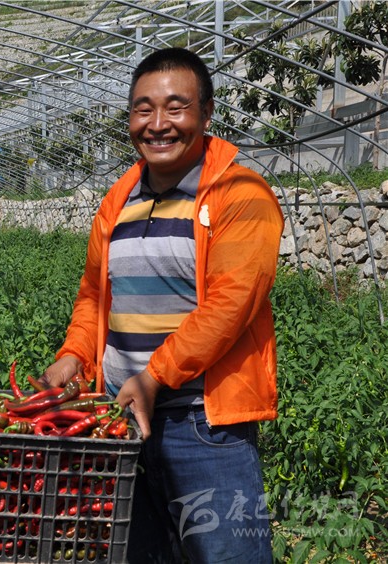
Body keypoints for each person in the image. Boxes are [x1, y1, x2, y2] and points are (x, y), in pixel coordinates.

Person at [41, 48, 283, 563]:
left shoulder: (241, 195)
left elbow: (230, 306)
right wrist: (75, 356)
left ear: (207, 114)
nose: (157, 124)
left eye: (176, 107)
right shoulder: (118, 199)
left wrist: (153, 378)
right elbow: (94, 295)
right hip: (120, 422)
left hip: (204, 429)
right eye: (142, 109)